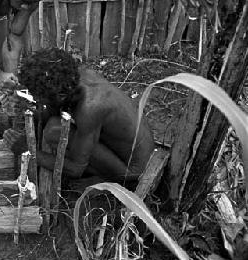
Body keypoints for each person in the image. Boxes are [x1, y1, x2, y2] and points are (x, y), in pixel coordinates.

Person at [13, 48, 155, 188]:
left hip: (133, 171)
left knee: (54, 131)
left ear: (60, 96)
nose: (35, 99)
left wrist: (28, 151)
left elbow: (75, 168)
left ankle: (107, 179)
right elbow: (53, 108)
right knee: (53, 124)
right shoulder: (74, 79)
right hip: (135, 151)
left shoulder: (90, 109)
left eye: (38, 96)